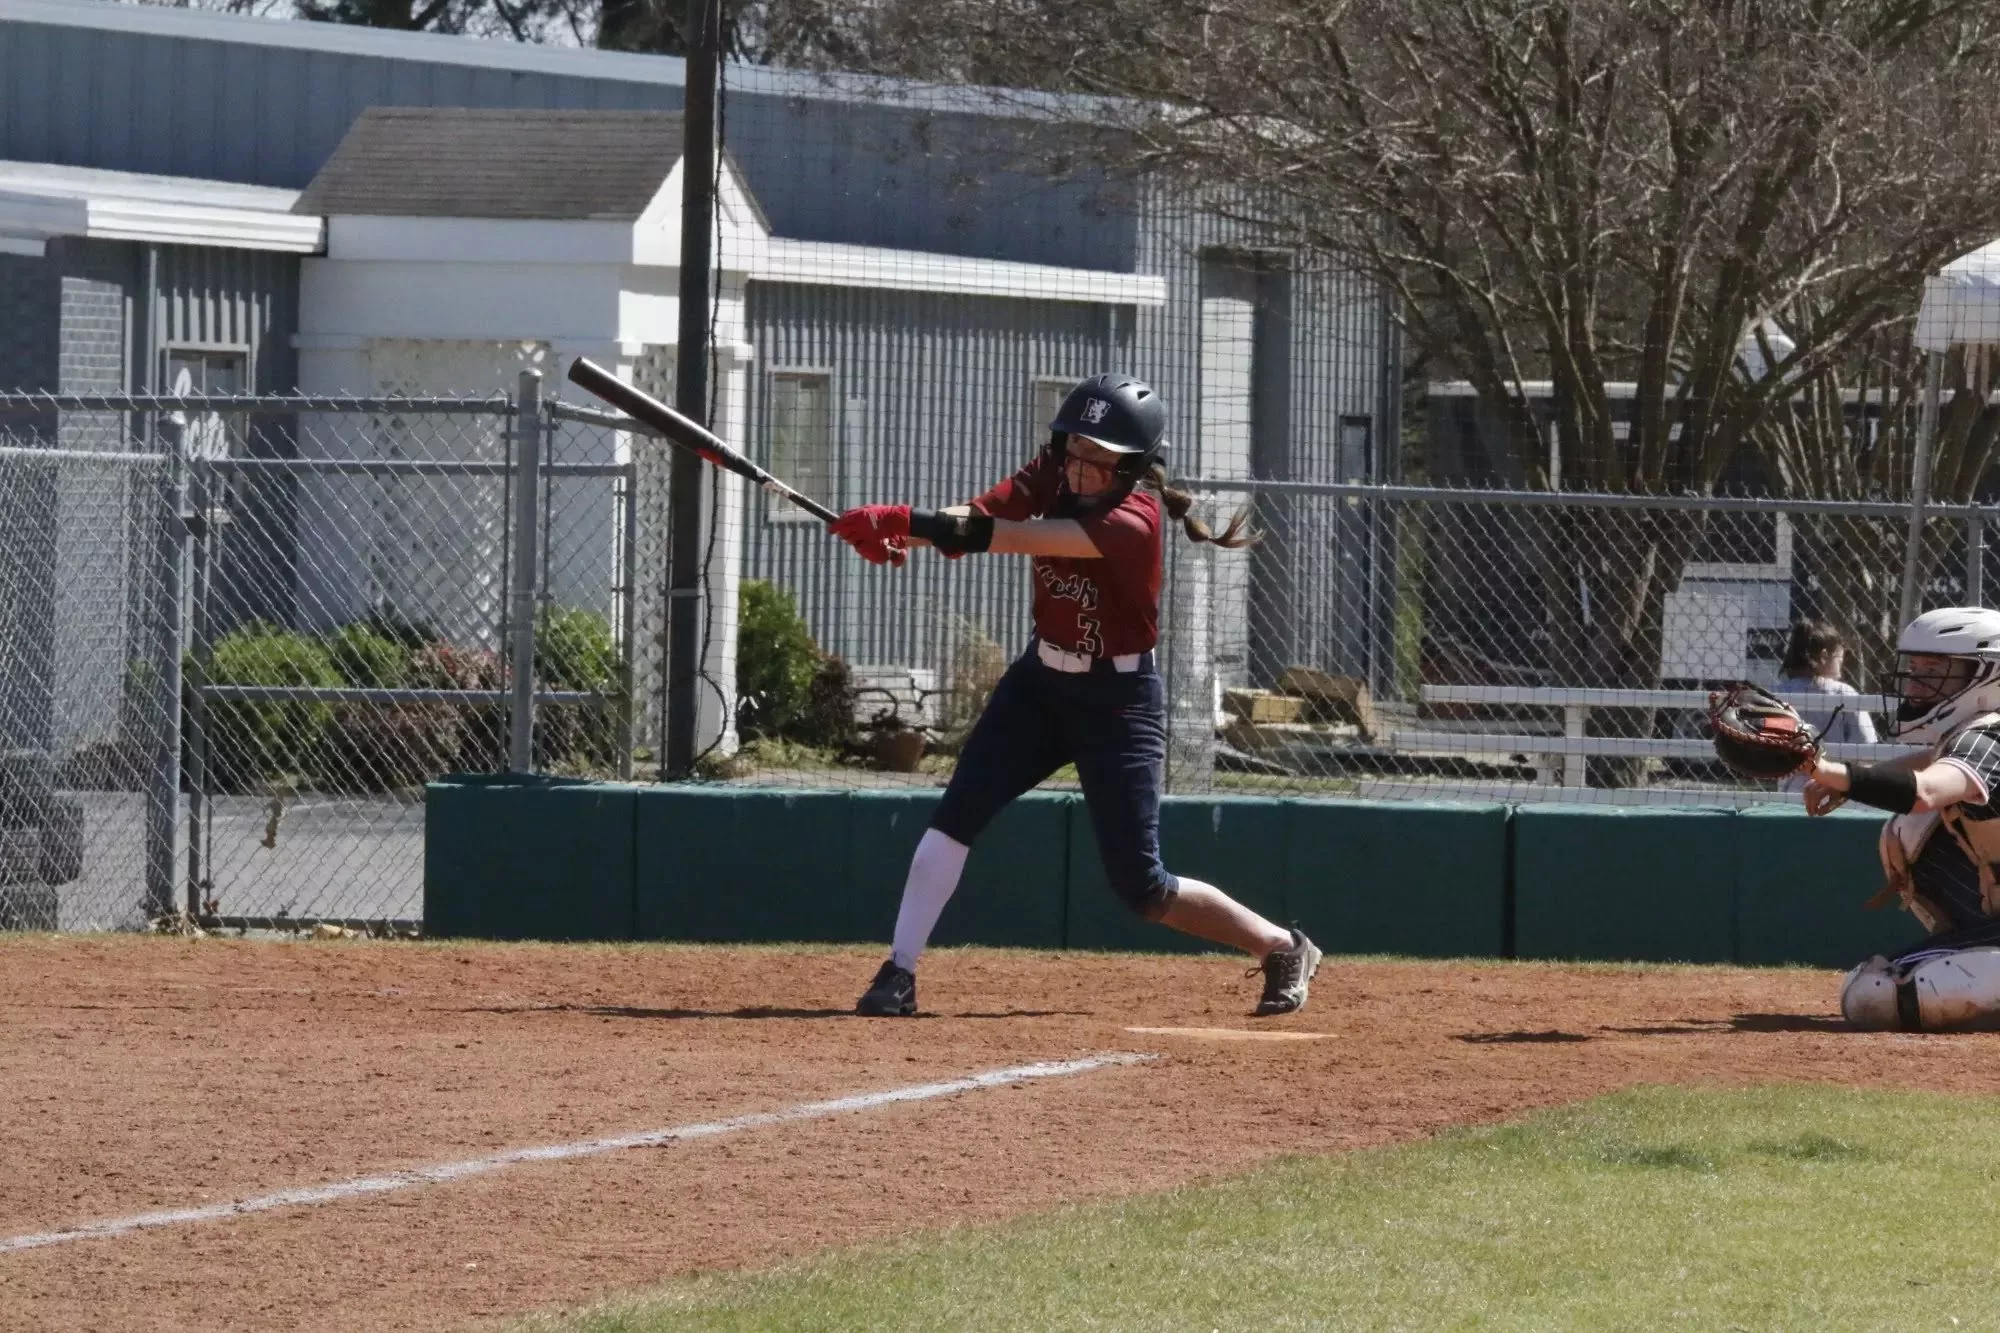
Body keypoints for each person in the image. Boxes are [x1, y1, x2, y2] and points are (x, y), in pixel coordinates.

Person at [824, 373, 1324, 1018]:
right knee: (956, 817)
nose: (1081, 468)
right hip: (1039, 686)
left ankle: (1281, 946)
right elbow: (980, 517)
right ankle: (898, 971)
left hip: (1118, 701)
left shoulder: (1134, 521)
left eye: (1100, 457)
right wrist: (908, 535)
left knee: (1141, 887)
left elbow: (1011, 537)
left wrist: (900, 520)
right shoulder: (1055, 471)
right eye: (1075, 450)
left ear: (1133, 466)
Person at [1801, 606, 2000, 1030]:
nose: (1917, 681)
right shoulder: (1977, 733)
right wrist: (1848, 779)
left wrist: (1824, 770)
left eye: (1936, 669)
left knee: (1876, 994)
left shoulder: (1986, 739)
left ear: (1987, 677)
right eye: (1915, 668)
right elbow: (1935, 759)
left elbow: (1926, 791)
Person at [1771, 618, 1877, 794]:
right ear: (1824, 656)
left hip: (1790, 789)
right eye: (1839, 658)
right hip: (1835, 786)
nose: (1841, 665)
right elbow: (1866, 744)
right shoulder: (1843, 692)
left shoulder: (1778, 693)